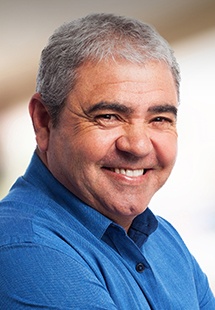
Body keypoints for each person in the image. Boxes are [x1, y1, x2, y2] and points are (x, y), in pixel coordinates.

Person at [0, 13, 214, 309]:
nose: (138, 146)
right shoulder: (22, 249)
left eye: (159, 118)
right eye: (109, 116)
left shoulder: (164, 239)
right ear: (44, 122)